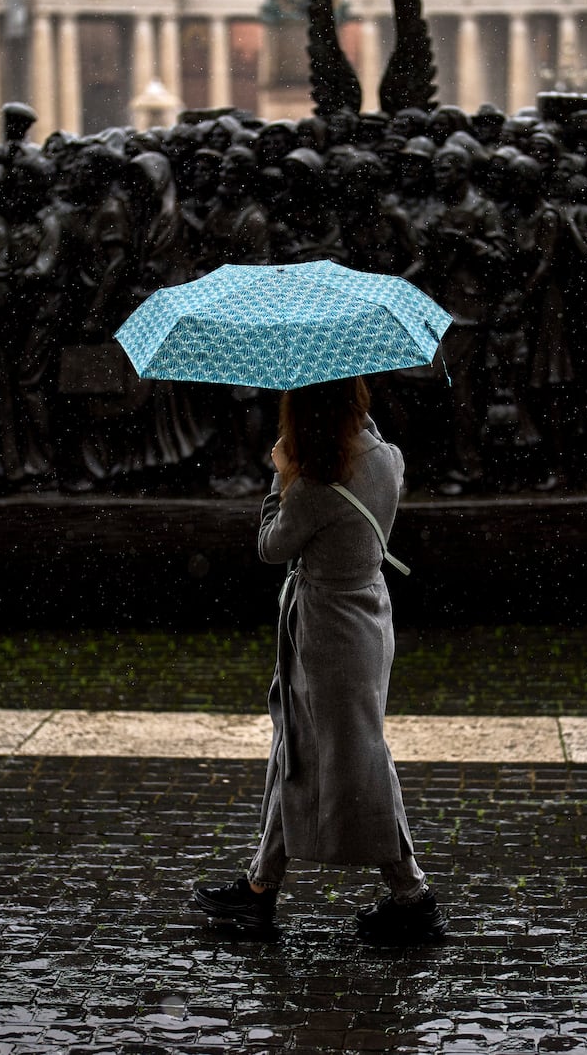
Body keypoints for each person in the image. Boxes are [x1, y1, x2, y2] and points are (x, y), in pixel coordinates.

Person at [191, 377, 446, 945]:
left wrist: (280, 477)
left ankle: (412, 895)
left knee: (357, 759)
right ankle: (261, 887)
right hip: (368, 617)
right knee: (300, 751)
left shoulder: (313, 487)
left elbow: (270, 547)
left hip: (326, 633)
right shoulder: (386, 460)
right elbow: (366, 444)